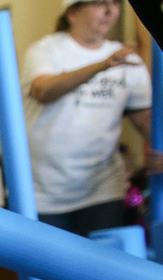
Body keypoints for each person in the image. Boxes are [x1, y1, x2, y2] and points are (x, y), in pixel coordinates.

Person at [24, 0, 159, 236]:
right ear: (73, 13)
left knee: (103, 270)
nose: (110, 10)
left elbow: (146, 121)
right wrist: (104, 65)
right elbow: (43, 91)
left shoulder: (129, 60)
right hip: (44, 194)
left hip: (103, 188)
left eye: (115, 3)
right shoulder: (45, 51)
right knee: (53, 270)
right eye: (99, 3)